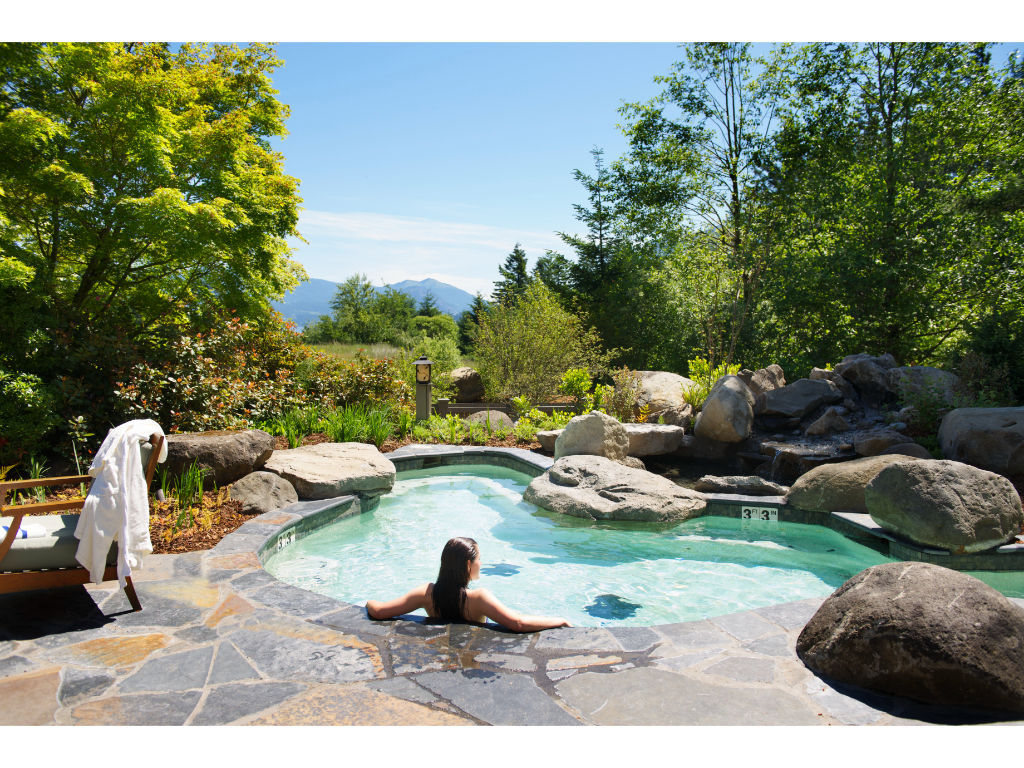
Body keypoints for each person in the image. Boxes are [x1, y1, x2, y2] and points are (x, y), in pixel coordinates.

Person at [365, 536, 571, 632]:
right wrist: (559, 621)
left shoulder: (427, 593)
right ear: (468, 565)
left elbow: (380, 612)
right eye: (479, 559)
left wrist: (368, 602)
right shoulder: (478, 599)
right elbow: (518, 623)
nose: (481, 564)